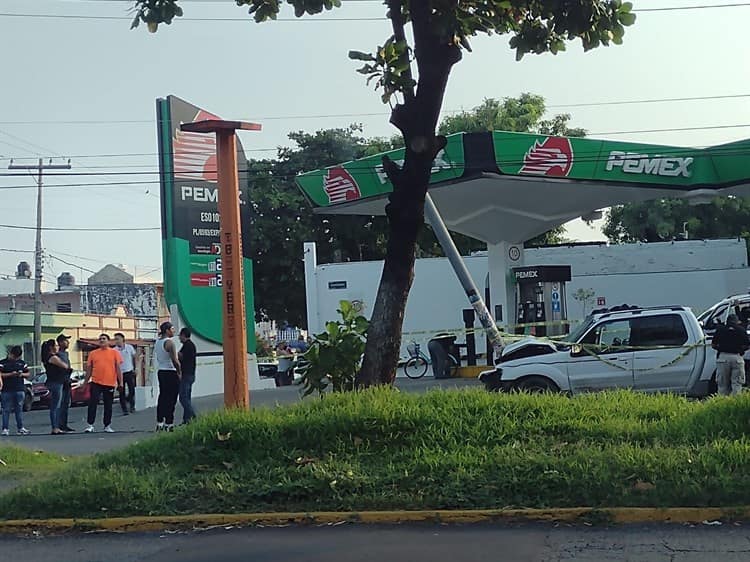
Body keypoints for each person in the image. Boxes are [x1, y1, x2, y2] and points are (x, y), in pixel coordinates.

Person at [84, 334, 123, 433]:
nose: (101, 340)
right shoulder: (93, 353)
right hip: (96, 382)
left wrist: (121, 382)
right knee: (93, 403)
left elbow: (118, 369)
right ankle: (90, 425)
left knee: (108, 405)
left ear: (109, 341)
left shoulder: (115, 353)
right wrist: (85, 382)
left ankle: (107, 425)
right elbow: (89, 369)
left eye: (104, 339)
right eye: (100, 339)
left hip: (109, 382)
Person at [712, 314, 750, 396]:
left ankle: (722, 404)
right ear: (736, 321)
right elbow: (747, 345)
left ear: (727, 321)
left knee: (722, 385)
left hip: (723, 358)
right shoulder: (741, 330)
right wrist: (740, 350)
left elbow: (713, 345)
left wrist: (721, 348)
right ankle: (734, 405)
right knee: (737, 385)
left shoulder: (720, 329)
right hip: (737, 358)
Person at [41, 339, 73, 435]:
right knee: (56, 406)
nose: (58, 347)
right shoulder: (52, 357)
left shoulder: (51, 357)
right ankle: (55, 427)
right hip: (56, 383)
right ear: (51, 347)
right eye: (56, 345)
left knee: (58, 405)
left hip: (58, 382)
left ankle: (58, 426)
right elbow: (65, 366)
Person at [155, 322, 181, 432]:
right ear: (167, 330)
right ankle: (169, 422)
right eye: (172, 329)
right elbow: (175, 360)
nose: (173, 331)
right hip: (171, 372)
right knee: (171, 398)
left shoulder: (158, 342)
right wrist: (179, 372)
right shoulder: (169, 343)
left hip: (161, 371)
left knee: (162, 397)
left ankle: (159, 421)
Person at [0, 346, 31, 436]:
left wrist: (21, 374)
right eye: (14, 356)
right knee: (6, 410)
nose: (15, 358)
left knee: (19, 409)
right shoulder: (3, 363)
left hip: (19, 389)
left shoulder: (22, 363)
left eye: (17, 357)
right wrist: (11, 374)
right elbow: (0, 374)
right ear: (10, 354)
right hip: (6, 390)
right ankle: (5, 429)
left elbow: (28, 373)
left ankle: (20, 428)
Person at [114, 332, 137, 416]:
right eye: (115, 339)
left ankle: (132, 406)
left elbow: (134, 358)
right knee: (121, 391)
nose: (116, 341)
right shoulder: (114, 350)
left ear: (122, 339)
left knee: (132, 390)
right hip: (120, 373)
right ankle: (124, 409)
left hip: (129, 371)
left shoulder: (129, 347)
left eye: (118, 339)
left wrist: (135, 368)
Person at [56, 334, 75, 432]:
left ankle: (64, 424)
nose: (68, 343)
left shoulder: (66, 354)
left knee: (66, 404)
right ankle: (58, 425)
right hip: (61, 381)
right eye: (65, 341)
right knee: (60, 403)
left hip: (67, 381)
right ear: (60, 343)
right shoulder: (58, 354)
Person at [178, 327, 197, 425]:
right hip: (191, 374)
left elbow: (182, 357)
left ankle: (193, 415)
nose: (179, 338)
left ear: (183, 335)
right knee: (187, 397)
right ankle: (187, 419)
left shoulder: (187, 345)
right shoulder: (190, 345)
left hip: (187, 374)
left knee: (183, 397)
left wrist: (176, 354)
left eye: (180, 336)